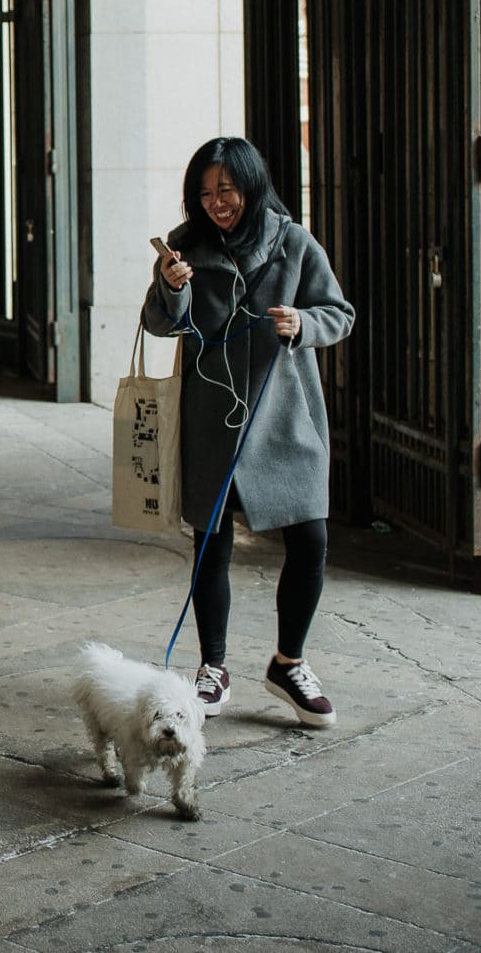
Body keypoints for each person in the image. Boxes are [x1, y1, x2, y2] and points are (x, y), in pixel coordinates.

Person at [142, 136, 354, 729]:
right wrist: (174, 285)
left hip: (287, 415)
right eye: (206, 194)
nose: (217, 203)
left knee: (310, 538)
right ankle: (213, 666)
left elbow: (340, 313)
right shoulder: (184, 247)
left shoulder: (293, 242)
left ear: (250, 188)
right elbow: (158, 323)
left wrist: (303, 321)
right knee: (212, 543)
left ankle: (289, 662)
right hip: (214, 419)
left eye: (227, 191)